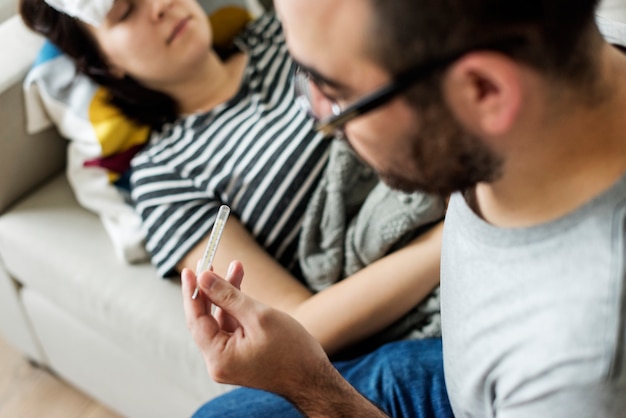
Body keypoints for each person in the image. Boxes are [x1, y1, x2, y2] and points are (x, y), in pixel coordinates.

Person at [182, 0, 626, 416]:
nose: (321, 124)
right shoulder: (554, 61)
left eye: (337, 94)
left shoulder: (577, 371)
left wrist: (307, 382)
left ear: (484, 91)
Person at [19, 0, 446, 357]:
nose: (159, 7)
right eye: (127, 11)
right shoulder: (163, 173)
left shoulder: (282, 30)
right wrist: (449, 239)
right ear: (106, 62)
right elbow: (296, 325)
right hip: (429, 275)